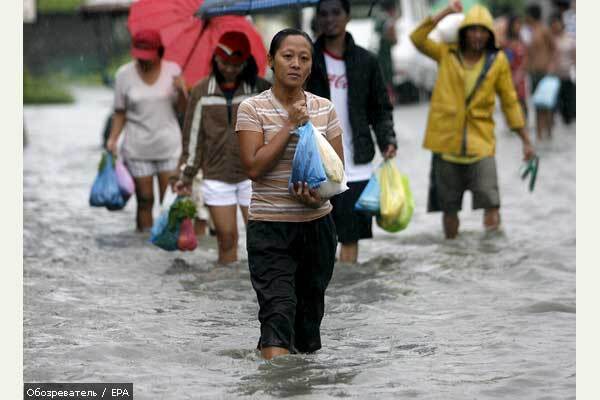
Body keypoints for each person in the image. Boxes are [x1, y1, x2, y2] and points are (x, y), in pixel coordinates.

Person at [236, 28, 344, 359]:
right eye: (287, 56)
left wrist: (319, 197)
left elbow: (337, 176)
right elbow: (253, 168)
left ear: (311, 66)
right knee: (277, 313)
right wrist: (289, 125)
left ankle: (297, 387)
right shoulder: (252, 109)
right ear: (270, 61)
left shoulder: (324, 109)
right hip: (270, 228)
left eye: (304, 58)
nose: (295, 64)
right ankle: (274, 383)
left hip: (317, 228)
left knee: (308, 330)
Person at [410, 1, 535, 239]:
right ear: (463, 32)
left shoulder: (497, 61)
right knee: (449, 209)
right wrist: (445, 12)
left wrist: (526, 141)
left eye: (482, 31)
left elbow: (510, 102)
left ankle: (491, 259)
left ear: (489, 34)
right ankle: (454, 258)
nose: (477, 35)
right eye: (472, 30)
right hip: (446, 146)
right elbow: (417, 38)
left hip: (482, 145)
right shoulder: (446, 53)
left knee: (492, 204)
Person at [307, 0, 397, 264]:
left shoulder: (366, 61)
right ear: (317, 19)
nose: (329, 19)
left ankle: (347, 292)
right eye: (323, 14)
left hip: (356, 163)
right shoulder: (306, 60)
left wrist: (387, 140)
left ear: (347, 17)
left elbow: (380, 108)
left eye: (336, 13)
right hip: (315, 161)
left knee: (350, 236)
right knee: (318, 235)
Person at [174, 31, 271, 265]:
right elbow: (193, 137)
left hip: (255, 175)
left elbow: (273, 131)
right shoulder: (200, 92)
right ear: (216, 60)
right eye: (224, 63)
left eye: (236, 64)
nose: (229, 69)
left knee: (262, 240)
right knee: (226, 240)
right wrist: (185, 175)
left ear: (246, 62)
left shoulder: (261, 89)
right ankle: (225, 291)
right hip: (216, 176)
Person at [107, 29, 188, 231]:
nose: (144, 61)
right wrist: (112, 139)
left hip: (169, 147)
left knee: (169, 204)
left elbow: (183, 111)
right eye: (140, 56)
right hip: (137, 148)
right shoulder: (123, 75)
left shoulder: (173, 71)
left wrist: (182, 92)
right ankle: (143, 249)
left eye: (148, 56)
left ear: (159, 51)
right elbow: (120, 112)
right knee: (144, 201)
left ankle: (166, 251)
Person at [524, 4, 557, 140]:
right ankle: (538, 136)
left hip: (545, 72)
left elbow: (554, 49)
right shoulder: (529, 31)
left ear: (531, 16)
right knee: (537, 104)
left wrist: (551, 66)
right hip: (533, 73)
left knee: (546, 105)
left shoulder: (544, 30)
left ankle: (548, 133)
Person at [549, 13, 576, 125]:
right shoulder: (550, 39)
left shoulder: (570, 39)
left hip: (568, 74)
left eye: (557, 23)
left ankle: (568, 120)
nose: (555, 26)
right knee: (555, 102)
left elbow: (575, 57)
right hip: (554, 75)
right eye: (553, 24)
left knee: (569, 102)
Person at [374, 0, 399, 104]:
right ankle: (389, 97)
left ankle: (387, 96)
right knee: (387, 75)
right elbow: (393, 39)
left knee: (383, 74)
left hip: (380, 51)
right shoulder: (388, 21)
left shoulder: (379, 18)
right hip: (384, 52)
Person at [504, 15, 529, 120]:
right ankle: (512, 121)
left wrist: (521, 72)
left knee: (522, 99)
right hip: (508, 76)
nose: (518, 26)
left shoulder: (522, 40)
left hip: (520, 76)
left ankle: (523, 121)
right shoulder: (506, 42)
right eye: (516, 24)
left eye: (520, 24)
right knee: (510, 100)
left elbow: (526, 58)